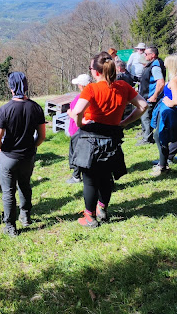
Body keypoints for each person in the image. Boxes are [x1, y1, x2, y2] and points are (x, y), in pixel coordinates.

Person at [71, 53, 147, 227]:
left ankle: (89, 217)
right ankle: (102, 209)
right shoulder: (123, 87)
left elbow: (77, 111)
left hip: (91, 138)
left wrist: (80, 123)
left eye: (91, 68)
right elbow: (143, 105)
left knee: (90, 180)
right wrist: (124, 123)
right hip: (112, 138)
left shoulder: (91, 89)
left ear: (96, 72)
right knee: (106, 177)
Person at [0, 72, 46, 237]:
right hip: (27, 156)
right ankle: (26, 216)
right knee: (25, 185)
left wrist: (1, 149)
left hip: (9, 156)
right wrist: (33, 147)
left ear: (11, 88)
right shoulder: (36, 107)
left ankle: (10, 226)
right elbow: (42, 136)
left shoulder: (5, 110)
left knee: (8, 191)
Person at [150, 54, 177, 176]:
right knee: (159, 136)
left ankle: (163, 166)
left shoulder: (176, 80)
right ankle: (163, 163)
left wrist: (167, 101)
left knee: (160, 136)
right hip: (171, 112)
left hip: (169, 112)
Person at [66, 73, 91, 184]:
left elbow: (77, 114)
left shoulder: (82, 97)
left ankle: (76, 176)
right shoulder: (90, 94)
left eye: (79, 84)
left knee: (77, 153)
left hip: (78, 129)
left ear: (82, 85)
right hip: (82, 129)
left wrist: (69, 112)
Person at [137, 46, 165, 145]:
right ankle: (146, 135)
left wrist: (154, 95)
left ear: (152, 55)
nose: (144, 55)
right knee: (145, 117)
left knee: (146, 117)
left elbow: (161, 82)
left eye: (146, 54)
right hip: (146, 96)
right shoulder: (154, 64)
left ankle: (147, 139)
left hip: (150, 97)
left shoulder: (155, 66)